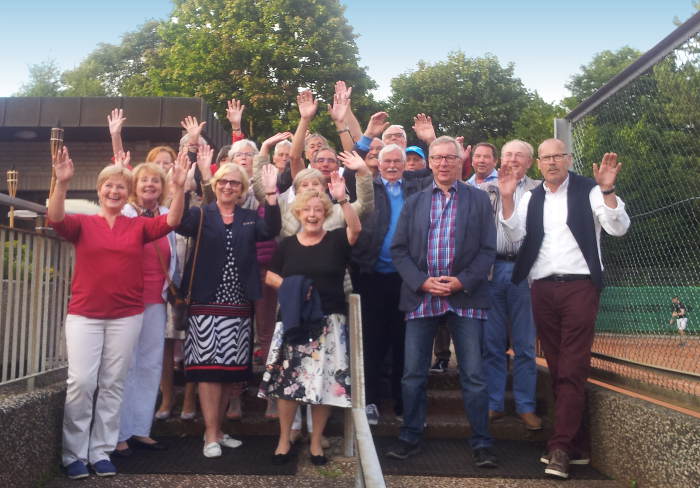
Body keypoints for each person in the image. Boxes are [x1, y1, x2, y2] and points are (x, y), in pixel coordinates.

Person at [47, 146, 188, 479]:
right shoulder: (83, 223)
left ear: (127, 194)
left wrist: (179, 187)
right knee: (81, 382)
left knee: (113, 383)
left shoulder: (137, 225)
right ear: (100, 191)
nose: (114, 191)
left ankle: (101, 450)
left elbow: (173, 221)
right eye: (108, 186)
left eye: (120, 187)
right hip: (85, 314)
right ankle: (74, 453)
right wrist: (61, 183)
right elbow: (54, 217)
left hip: (126, 315)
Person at [499, 138, 630, 479]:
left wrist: (609, 189)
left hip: (580, 286)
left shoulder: (590, 190)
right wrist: (509, 196)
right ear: (538, 163)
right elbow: (514, 236)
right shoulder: (532, 196)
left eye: (558, 156)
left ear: (569, 158)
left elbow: (619, 227)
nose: (552, 162)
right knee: (559, 368)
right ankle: (577, 444)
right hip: (541, 288)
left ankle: (558, 447)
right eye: (546, 158)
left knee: (572, 365)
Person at [386, 136, 498, 469]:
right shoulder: (415, 201)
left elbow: (487, 250)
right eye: (438, 158)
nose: (443, 163)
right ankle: (410, 436)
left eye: (450, 157)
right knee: (412, 375)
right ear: (430, 162)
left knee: (474, 375)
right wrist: (421, 281)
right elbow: (399, 251)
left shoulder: (478, 200)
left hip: (465, 296)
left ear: (459, 161)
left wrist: (463, 280)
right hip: (422, 296)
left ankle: (481, 442)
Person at [177, 161, 281, 458]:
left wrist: (271, 194)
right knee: (209, 370)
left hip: (237, 305)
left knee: (228, 370)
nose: (228, 186)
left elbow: (271, 228)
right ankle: (209, 433)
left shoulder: (249, 217)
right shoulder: (200, 214)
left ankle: (220, 430)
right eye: (223, 181)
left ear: (242, 190)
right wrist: (183, 190)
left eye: (235, 183)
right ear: (215, 184)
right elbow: (180, 222)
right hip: (205, 303)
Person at [260, 170, 362, 466]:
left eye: (319, 210)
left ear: (326, 213)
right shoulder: (287, 245)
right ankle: (283, 440)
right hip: (294, 321)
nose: (313, 214)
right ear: (298, 212)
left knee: (325, 384)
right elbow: (269, 275)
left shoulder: (336, 240)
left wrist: (343, 200)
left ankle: (316, 442)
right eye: (307, 210)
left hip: (329, 323)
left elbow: (355, 231)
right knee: (288, 385)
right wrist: (295, 288)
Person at [351, 144, 424, 425]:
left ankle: (403, 402)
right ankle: (370, 401)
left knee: (404, 341)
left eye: (397, 161)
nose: (392, 166)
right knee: (371, 342)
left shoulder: (416, 188)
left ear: (405, 164)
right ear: (377, 164)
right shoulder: (367, 187)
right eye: (387, 161)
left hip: (407, 279)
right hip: (371, 275)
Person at [114, 160, 178, 456]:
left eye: (155, 180)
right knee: (126, 364)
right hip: (128, 299)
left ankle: (141, 428)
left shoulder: (166, 214)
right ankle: (118, 432)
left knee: (150, 363)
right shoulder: (124, 213)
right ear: (134, 186)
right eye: (144, 181)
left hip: (156, 298)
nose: (150, 185)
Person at [478, 140, 542, 430]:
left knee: (525, 345)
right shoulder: (484, 190)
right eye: (508, 155)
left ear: (529, 162)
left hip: (525, 270)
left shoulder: (540, 191)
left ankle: (526, 406)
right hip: (491, 272)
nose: (513, 159)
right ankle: (493, 403)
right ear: (500, 159)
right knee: (491, 345)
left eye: (519, 155)